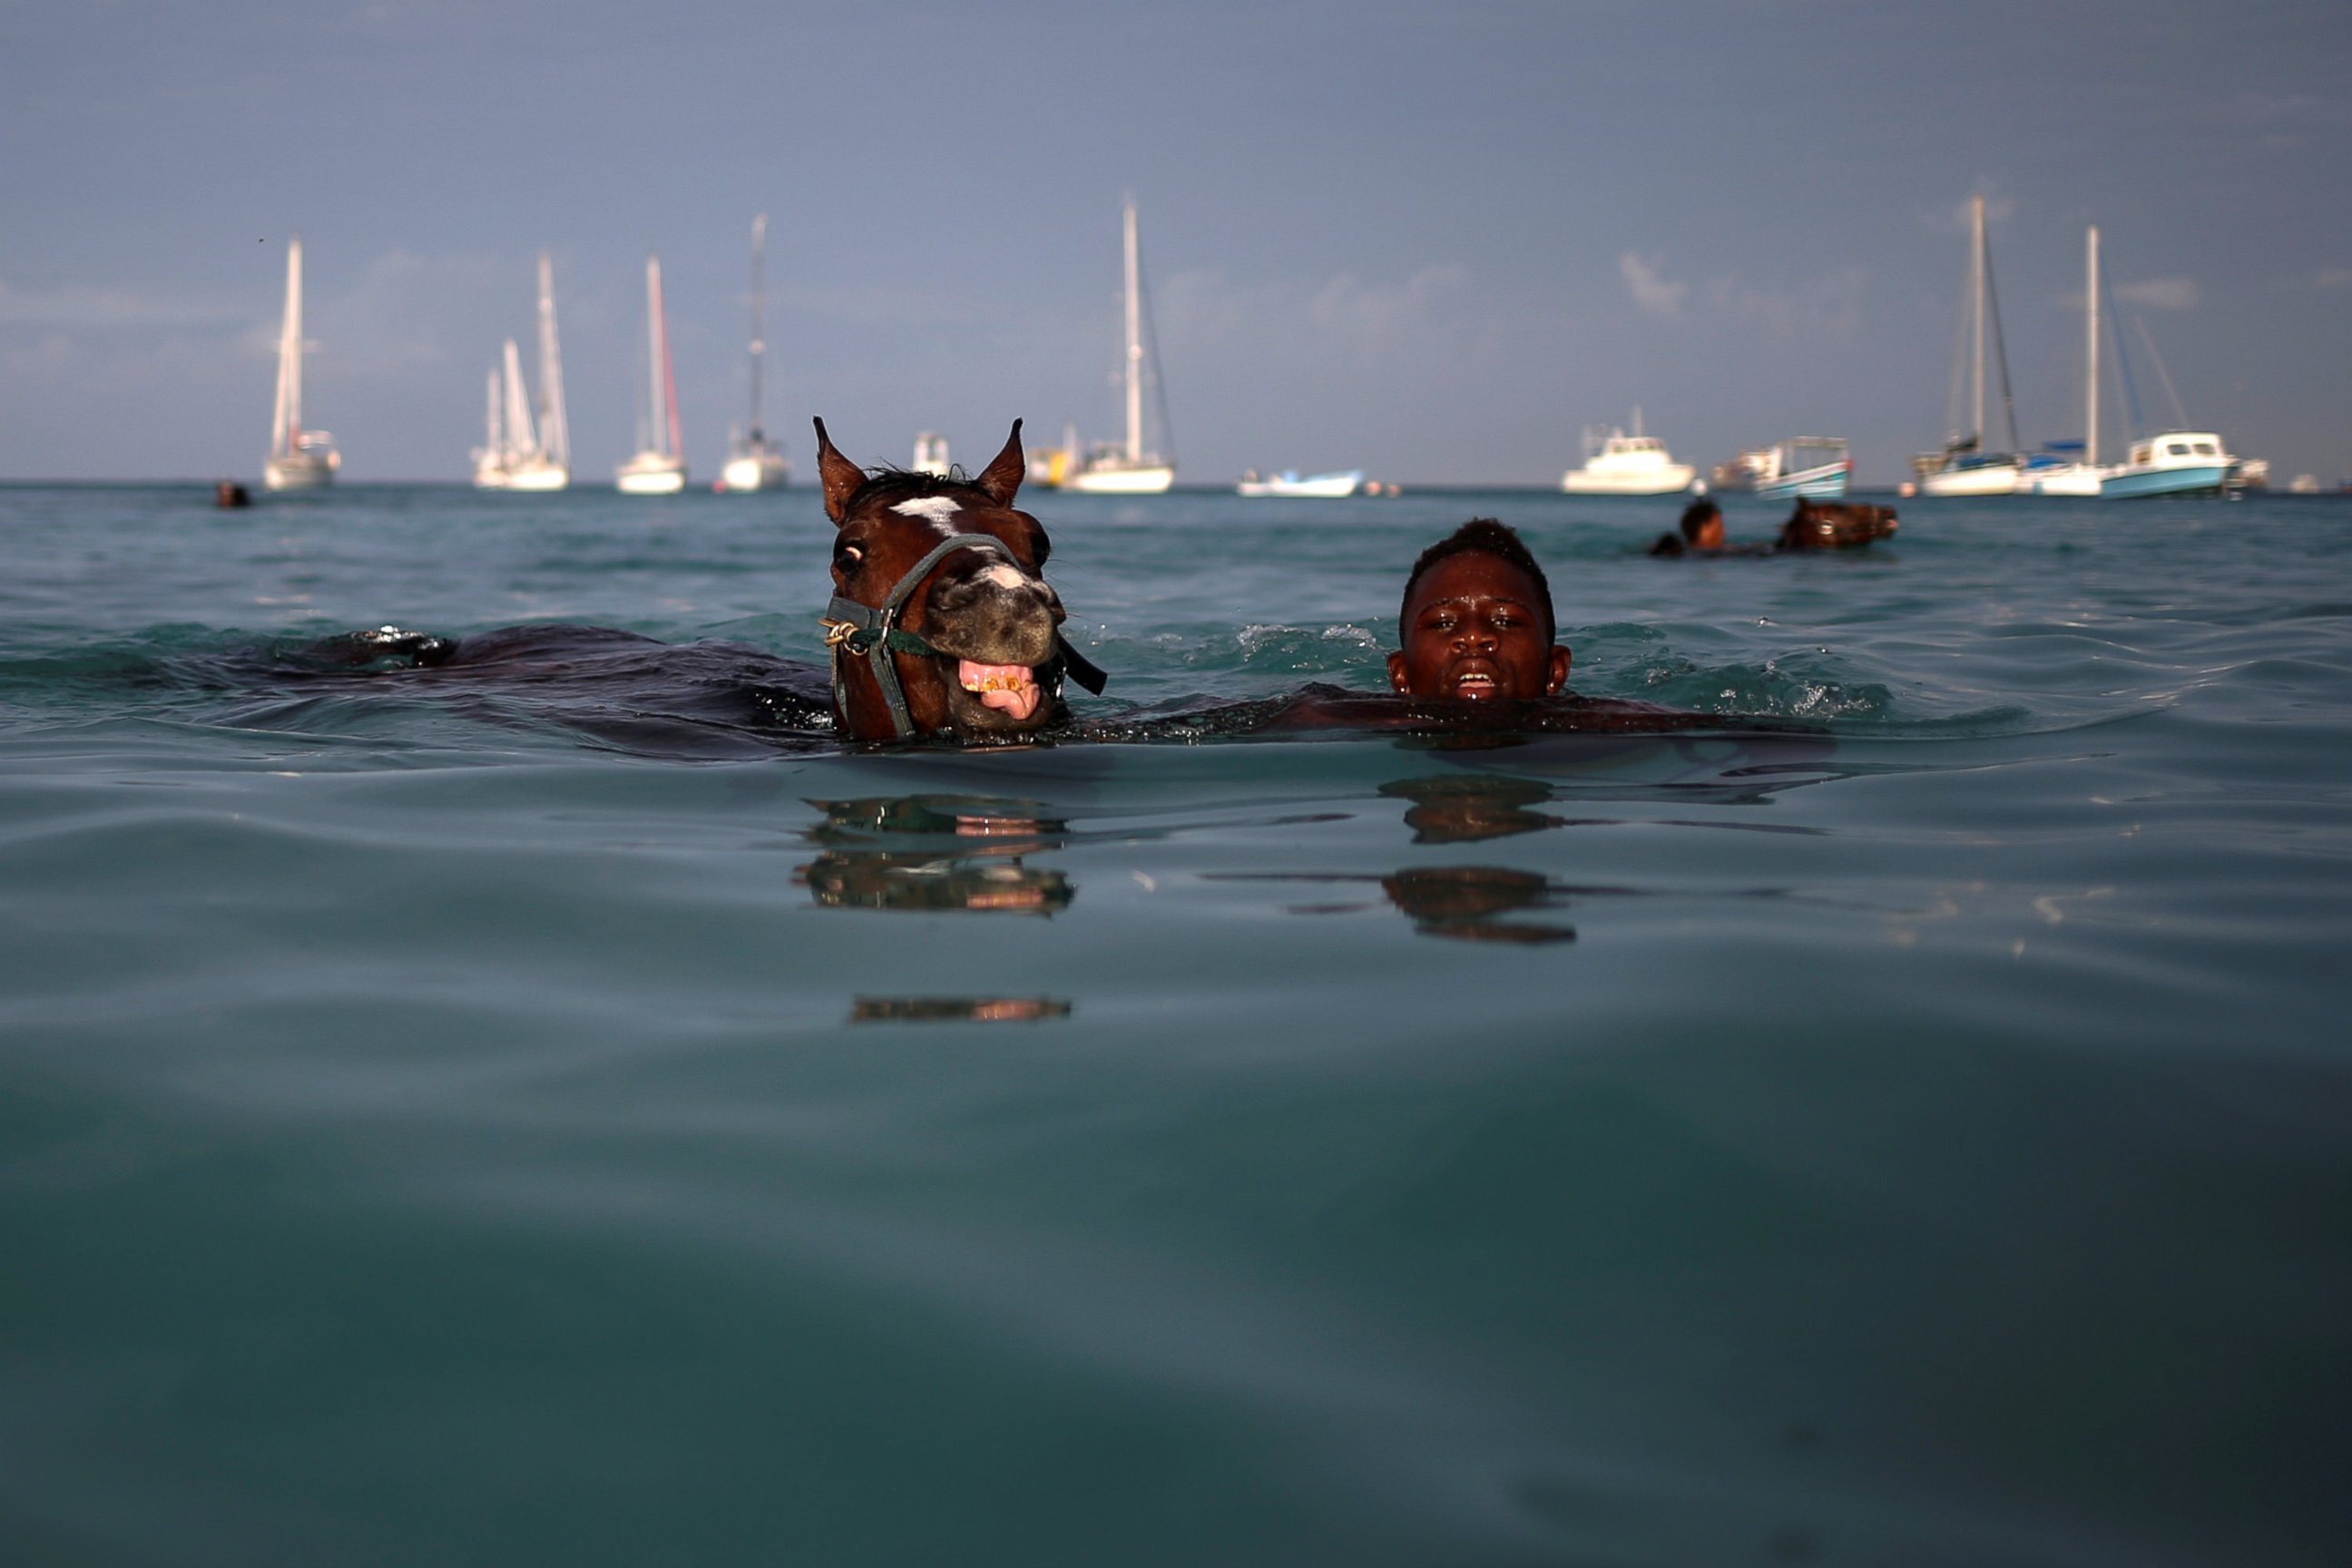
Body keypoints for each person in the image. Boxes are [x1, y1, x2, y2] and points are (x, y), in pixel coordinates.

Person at [1386, 518, 1571, 701]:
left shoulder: (1594, 726)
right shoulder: (1364, 721)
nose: (1473, 636)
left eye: (1505, 621)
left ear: (1555, 670)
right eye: (1442, 623)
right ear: (1401, 674)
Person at [1649, 497, 1727, 556]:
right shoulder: (1719, 552)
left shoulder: (1673, 550)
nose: (1724, 530)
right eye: (1719, 525)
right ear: (1704, 529)